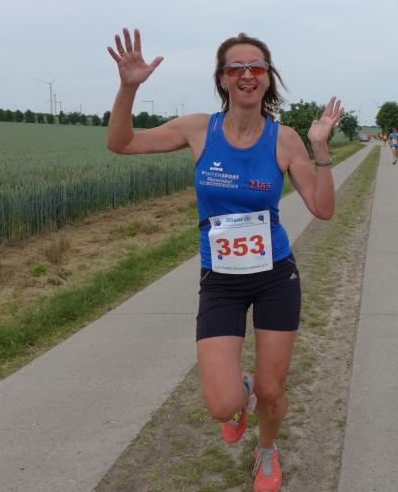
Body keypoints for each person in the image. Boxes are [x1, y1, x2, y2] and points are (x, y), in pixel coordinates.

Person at [106, 28, 343, 492]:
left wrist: (320, 150)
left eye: (256, 67)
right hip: (220, 279)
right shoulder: (199, 129)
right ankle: (242, 392)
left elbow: (323, 209)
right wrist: (128, 87)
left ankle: (266, 450)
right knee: (222, 404)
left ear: (267, 78)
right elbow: (121, 143)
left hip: (275, 276)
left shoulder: (285, 140)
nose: (247, 75)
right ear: (222, 78)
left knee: (273, 391)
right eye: (236, 67)